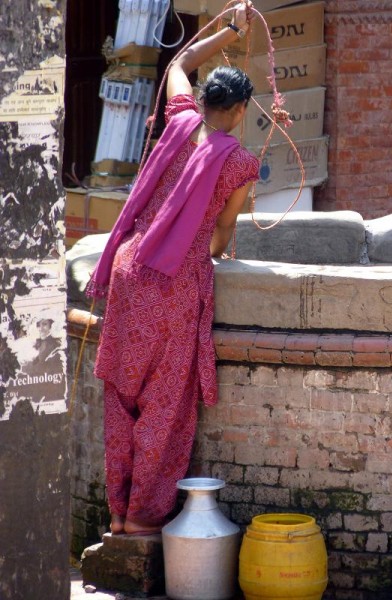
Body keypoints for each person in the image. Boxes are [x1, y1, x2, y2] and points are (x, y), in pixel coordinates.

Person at [86, 1, 259, 535]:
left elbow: (179, 63)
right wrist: (223, 245)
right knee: (163, 406)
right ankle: (141, 519)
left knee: (120, 394)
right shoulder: (239, 162)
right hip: (174, 281)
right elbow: (223, 232)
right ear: (238, 112)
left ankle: (116, 512)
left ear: (206, 102)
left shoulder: (181, 119)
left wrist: (226, 30)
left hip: (127, 267)